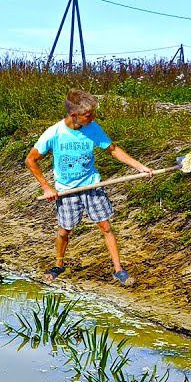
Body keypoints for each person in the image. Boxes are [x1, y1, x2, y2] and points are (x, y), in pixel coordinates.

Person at [25, 89, 154, 286]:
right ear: (74, 115)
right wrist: (46, 187)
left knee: (106, 226)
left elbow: (113, 150)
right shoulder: (54, 133)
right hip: (66, 189)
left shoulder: (93, 128)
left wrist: (140, 167)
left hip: (92, 185)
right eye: (88, 114)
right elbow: (31, 160)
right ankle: (58, 265)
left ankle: (118, 270)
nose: (93, 117)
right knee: (64, 231)